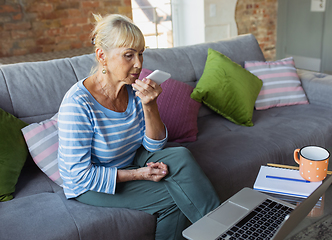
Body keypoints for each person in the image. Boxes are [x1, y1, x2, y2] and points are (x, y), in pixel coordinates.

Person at [57, 13, 220, 240]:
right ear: (102, 56)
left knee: (181, 155)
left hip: (131, 157)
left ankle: (225, 227)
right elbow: (78, 175)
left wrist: (150, 105)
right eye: (128, 55)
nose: (139, 64)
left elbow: (154, 145)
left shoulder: (132, 89)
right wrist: (138, 175)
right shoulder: (78, 104)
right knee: (176, 197)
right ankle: (224, 232)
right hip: (90, 184)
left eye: (141, 54)